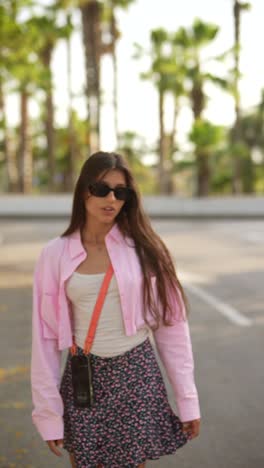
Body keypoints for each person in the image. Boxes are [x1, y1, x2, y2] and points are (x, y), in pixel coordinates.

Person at [30, 151, 201, 468]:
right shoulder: (54, 254)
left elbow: (172, 327)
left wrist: (188, 401)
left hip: (135, 374)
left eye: (120, 192)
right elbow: (44, 340)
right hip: (84, 377)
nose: (111, 198)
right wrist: (48, 414)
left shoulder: (146, 249)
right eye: (101, 189)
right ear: (84, 191)